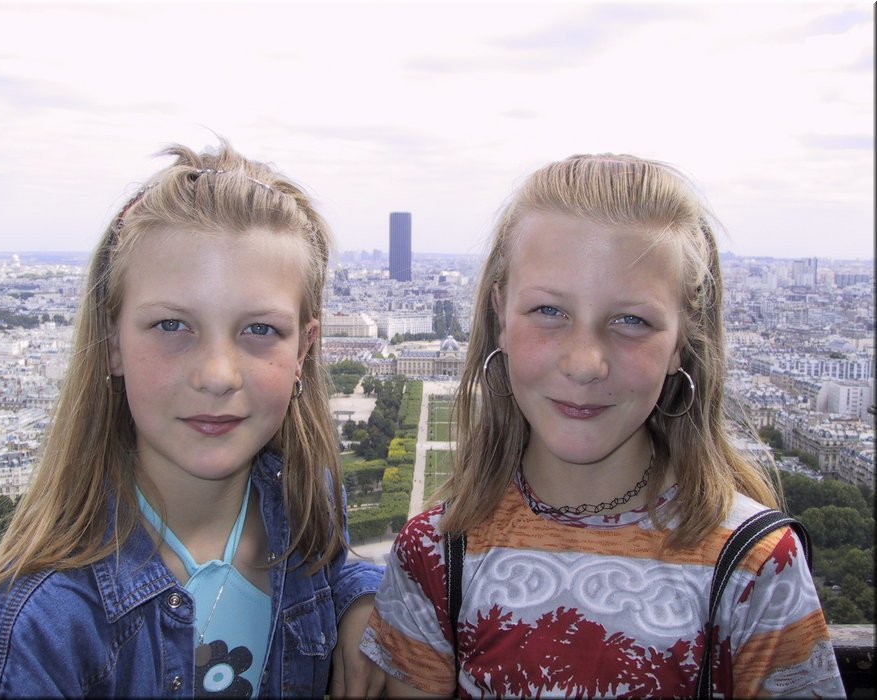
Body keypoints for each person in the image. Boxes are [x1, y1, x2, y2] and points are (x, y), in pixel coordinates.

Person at [360, 154, 845, 698]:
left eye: (631, 320)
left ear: (681, 341)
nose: (585, 363)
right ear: (500, 315)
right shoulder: (432, 556)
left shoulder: (759, 568)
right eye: (549, 311)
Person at [0, 139, 384, 698]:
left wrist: (360, 596)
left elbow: (332, 569)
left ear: (304, 350)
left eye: (260, 329)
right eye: (173, 326)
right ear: (112, 341)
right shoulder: (25, 634)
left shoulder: (308, 503)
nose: (217, 375)